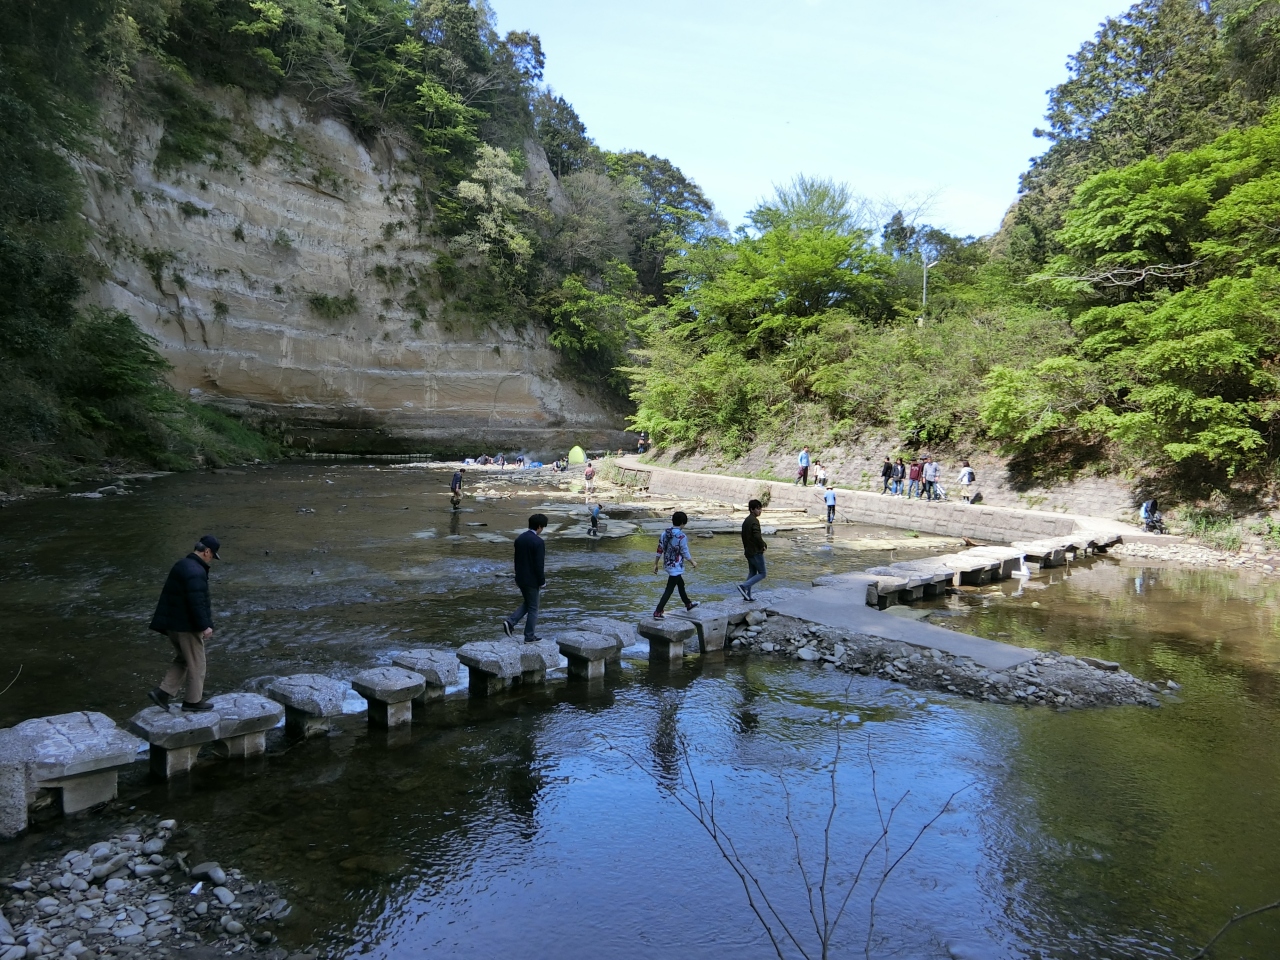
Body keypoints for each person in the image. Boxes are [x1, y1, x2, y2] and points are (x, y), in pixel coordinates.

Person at [147, 535, 221, 712]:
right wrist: (205, 625)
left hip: (172, 623)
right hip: (187, 626)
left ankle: (162, 693)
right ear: (207, 551)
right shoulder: (196, 571)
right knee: (198, 663)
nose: (212, 559)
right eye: (212, 555)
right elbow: (196, 601)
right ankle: (193, 702)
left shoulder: (182, 564)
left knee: (184, 659)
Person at [502, 515, 548, 642]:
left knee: (529, 603)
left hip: (520, 578)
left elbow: (517, 560)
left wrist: (517, 576)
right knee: (534, 608)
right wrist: (542, 581)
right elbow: (539, 565)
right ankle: (529, 635)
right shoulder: (538, 542)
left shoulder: (520, 539)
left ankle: (510, 622)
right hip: (532, 580)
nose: (542, 530)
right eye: (542, 527)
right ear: (539, 527)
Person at [653, 511, 699, 619]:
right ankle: (658, 611)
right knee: (669, 589)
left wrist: (655, 563)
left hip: (668, 564)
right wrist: (692, 561)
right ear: (683, 523)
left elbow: (660, 549)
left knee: (681, 584)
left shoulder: (665, 533)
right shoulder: (681, 536)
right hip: (676, 566)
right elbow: (684, 551)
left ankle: (688, 604)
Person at [738, 499, 767, 601]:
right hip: (755, 551)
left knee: (752, 573)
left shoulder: (746, 520)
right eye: (758, 509)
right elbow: (757, 536)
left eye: (760, 509)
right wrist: (763, 545)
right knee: (763, 573)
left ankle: (747, 596)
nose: (760, 511)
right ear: (751, 509)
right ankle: (743, 587)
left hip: (748, 551)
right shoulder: (754, 521)